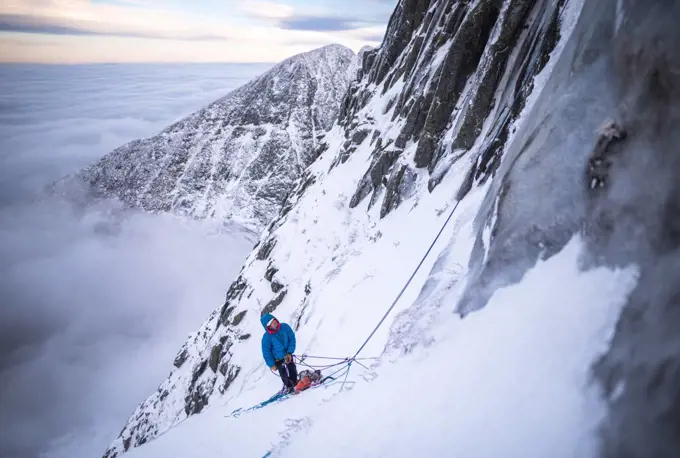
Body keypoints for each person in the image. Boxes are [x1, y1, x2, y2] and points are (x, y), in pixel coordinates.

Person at [260, 313, 298, 393]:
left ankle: (295, 383)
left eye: (274, 320)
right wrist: (271, 364)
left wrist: (289, 352)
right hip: (278, 359)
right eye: (272, 322)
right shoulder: (266, 337)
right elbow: (266, 352)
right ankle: (289, 387)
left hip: (288, 354)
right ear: (268, 326)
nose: (274, 322)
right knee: (283, 373)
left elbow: (292, 339)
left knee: (292, 368)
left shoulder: (284, 327)